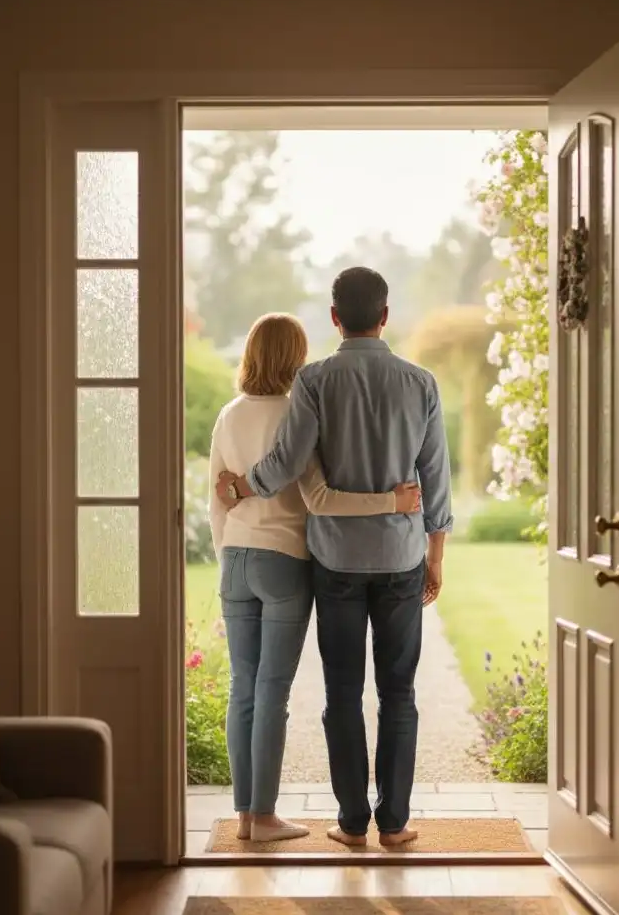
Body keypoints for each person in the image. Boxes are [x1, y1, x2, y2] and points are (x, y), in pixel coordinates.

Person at [216, 267, 453, 847]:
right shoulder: (421, 382)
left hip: (336, 565)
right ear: (386, 315)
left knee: (342, 692)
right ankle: (394, 824)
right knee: (399, 691)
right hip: (401, 559)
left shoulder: (316, 382)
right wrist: (435, 553)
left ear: (333, 317)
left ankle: (351, 823)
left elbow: (288, 459)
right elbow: (436, 478)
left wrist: (244, 487)